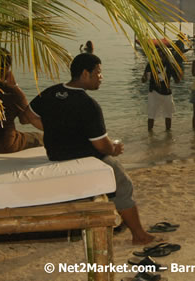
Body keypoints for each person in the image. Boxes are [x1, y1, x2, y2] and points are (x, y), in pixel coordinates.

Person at [29, 53, 156, 245]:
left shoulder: (51, 92)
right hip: (84, 157)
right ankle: (139, 236)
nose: (101, 77)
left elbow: (27, 116)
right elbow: (100, 145)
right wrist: (114, 148)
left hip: (55, 154)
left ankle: (119, 222)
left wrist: (57, 128)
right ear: (85, 74)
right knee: (123, 184)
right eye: (98, 73)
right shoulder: (88, 105)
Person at [142, 50, 182, 130]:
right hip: (154, 92)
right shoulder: (151, 64)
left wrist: (179, 73)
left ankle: (168, 134)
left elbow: (177, 81)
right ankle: (150, 135)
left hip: (166, 93)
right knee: (151, 115)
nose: (160, 58)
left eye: (162, 56)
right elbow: (143, 79)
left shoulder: (170, 65)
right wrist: (144, 78)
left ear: (165, 56)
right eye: (158, 56)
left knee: (168, 115)